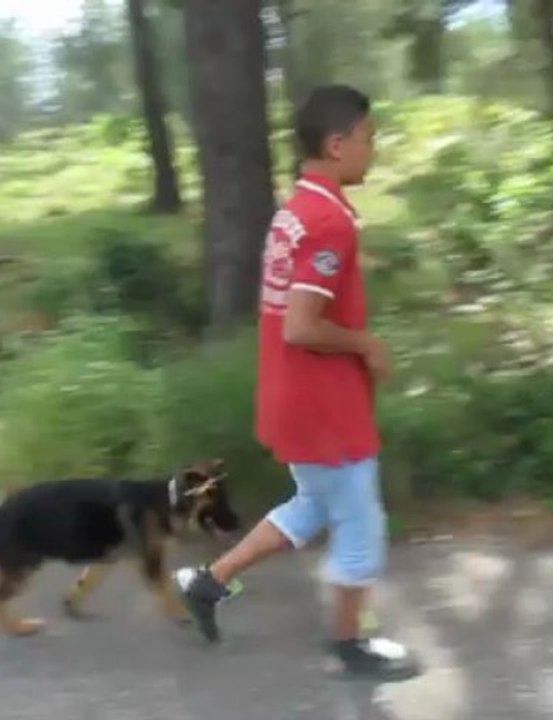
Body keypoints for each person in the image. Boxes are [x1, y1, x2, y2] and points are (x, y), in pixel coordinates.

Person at [174, 85, 418, 681]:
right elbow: (302, 325)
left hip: (292, 398)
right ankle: (348, 645)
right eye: (369, 138)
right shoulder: (328, 220)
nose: (373, 150)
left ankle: (209, 584)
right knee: (361, 522)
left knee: (312, 505)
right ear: (337, 145)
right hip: (324, 406)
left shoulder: (293, 211)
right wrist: (367, 343)